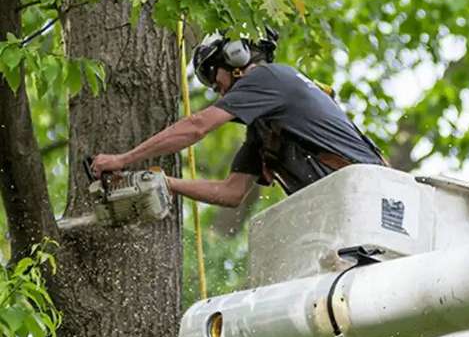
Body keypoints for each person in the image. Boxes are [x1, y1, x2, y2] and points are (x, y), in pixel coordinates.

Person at [92, 29, 387, 206]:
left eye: (212, 75)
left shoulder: (270, 77)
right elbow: (231, 193)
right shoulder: (266, 131)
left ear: (235, 58)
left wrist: (123, 159)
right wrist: (162, 182)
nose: (217, 90)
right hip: (344, 201)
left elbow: (197, 126)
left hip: (371, 193)